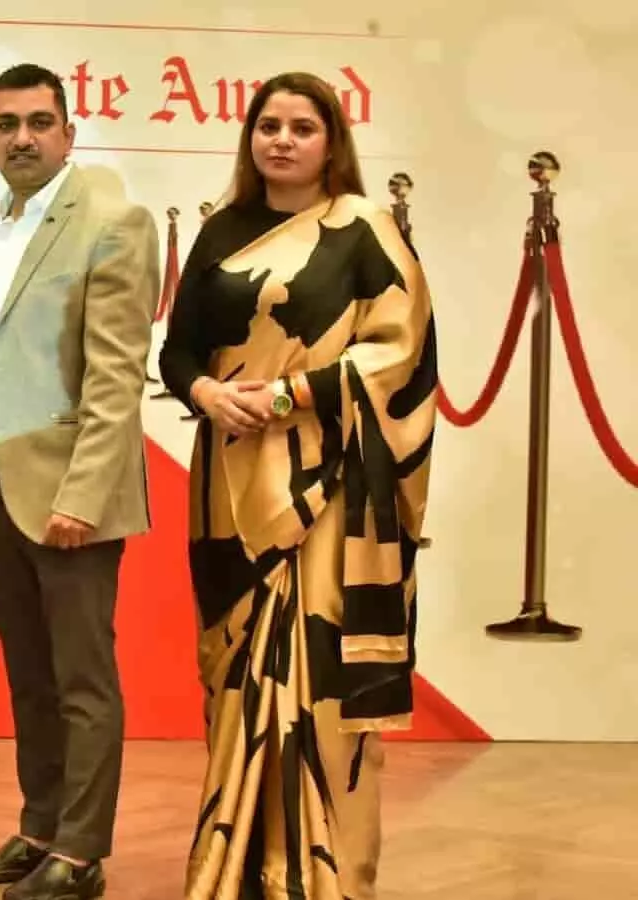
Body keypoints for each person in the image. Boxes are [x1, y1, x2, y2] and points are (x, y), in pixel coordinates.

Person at [157, 72, 437, 900]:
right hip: (227, 476)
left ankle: (318, 876)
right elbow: (178, 349)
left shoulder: (363, 229)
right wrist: (206, 394)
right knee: (234, 672)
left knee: (316, 676)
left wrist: (286, 397)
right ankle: (238, 869)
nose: (281, 139)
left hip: (325, 489)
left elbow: (399, 352)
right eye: (268, 125)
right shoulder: (221, 231)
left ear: (331, 142)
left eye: (302, 127)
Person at [0, 64, 159, 900]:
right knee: (30, 675)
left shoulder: (114, 222)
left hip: (67, 494)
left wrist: (82, 497)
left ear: (68, 133)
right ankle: (40, 829)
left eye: (39, 122)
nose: (22, 138)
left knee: (83, 682)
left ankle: (81, 855)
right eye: (6, 124)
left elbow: (116, 377)